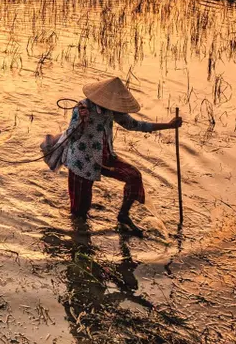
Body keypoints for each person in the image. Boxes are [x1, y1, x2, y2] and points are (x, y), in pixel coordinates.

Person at [61, 77, 182, 236]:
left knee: (134, 176)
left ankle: (123, 215)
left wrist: (169, 125)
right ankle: (79, 239)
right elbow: (72, 137)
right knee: (79, 212)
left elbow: (134, 125)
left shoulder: (112, 108)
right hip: (83, 162)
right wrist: (82, 121)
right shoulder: (81, 109)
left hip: (106, 157)